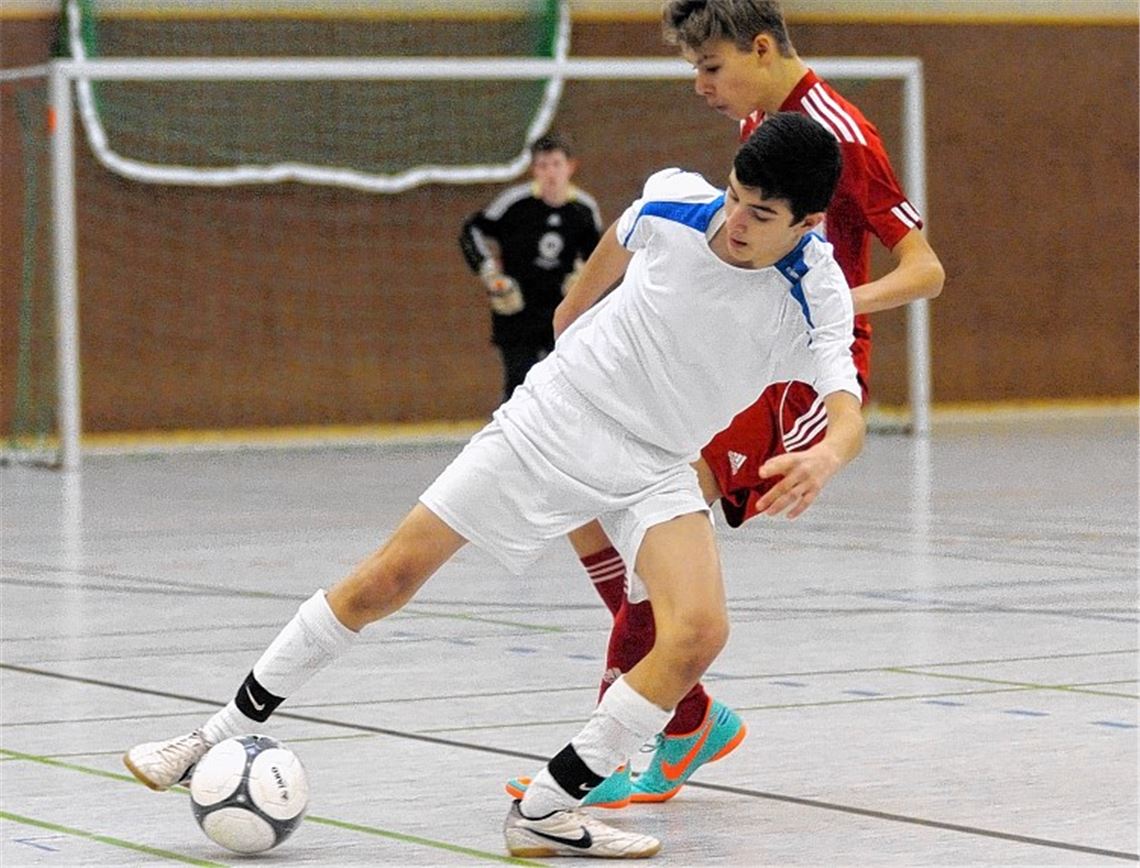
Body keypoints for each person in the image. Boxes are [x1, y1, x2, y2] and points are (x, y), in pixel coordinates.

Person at [123, 113, 864, 859]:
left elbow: (847, 407)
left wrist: (827, 457)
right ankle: (207, 739)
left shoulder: (815, 291)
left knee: (700, 631)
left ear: (805, 222)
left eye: (759, 215)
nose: (733, 220)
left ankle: (547, 808)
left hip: (656, 462)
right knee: (388, 577)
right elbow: (625, 235)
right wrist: (572, 311)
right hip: (556, 415)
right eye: (735, 195)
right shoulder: (678, 202)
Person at [507, 0, 946, 809]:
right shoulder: (762, 119)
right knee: (586, 499)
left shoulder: (839, 132)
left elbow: (925, 269)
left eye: (710, 68)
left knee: (648, 507)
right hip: (733, 357)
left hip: (795, 382)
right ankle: (692, 713)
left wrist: (832, 313)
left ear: (761, 46)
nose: (701, 86)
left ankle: (616, 752)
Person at [459, 132, 603, 403]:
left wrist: (581, 280)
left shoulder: (583, 210)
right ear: (533, 169)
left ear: (570, 167)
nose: (550, 173)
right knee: (518, 385)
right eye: (543, 165)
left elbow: (597, 255)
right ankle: (512, 443)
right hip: (516, 308)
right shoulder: (515, 204)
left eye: (556, 164)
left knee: (563, 384)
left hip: (561, 311)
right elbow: (472, 230)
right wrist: (490, 274)